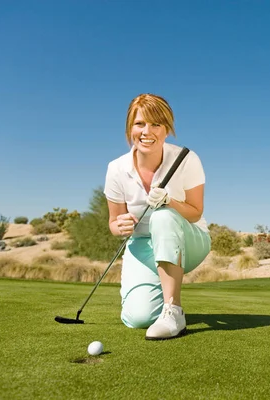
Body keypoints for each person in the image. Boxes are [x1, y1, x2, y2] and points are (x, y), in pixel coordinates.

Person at [104, 93, 211, 340]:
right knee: (138, 319)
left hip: (189, 240)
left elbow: (195, 213)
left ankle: (173, 310)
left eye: (156, 124)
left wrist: (169, 202)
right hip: (143, 244)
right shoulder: (116, 169)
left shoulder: (186, 159)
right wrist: (119, 226)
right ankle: (156, 306)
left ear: (167, 129)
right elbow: (113, 222)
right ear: (130, 127)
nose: (147, 131)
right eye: (140, 123)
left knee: (162, 216)